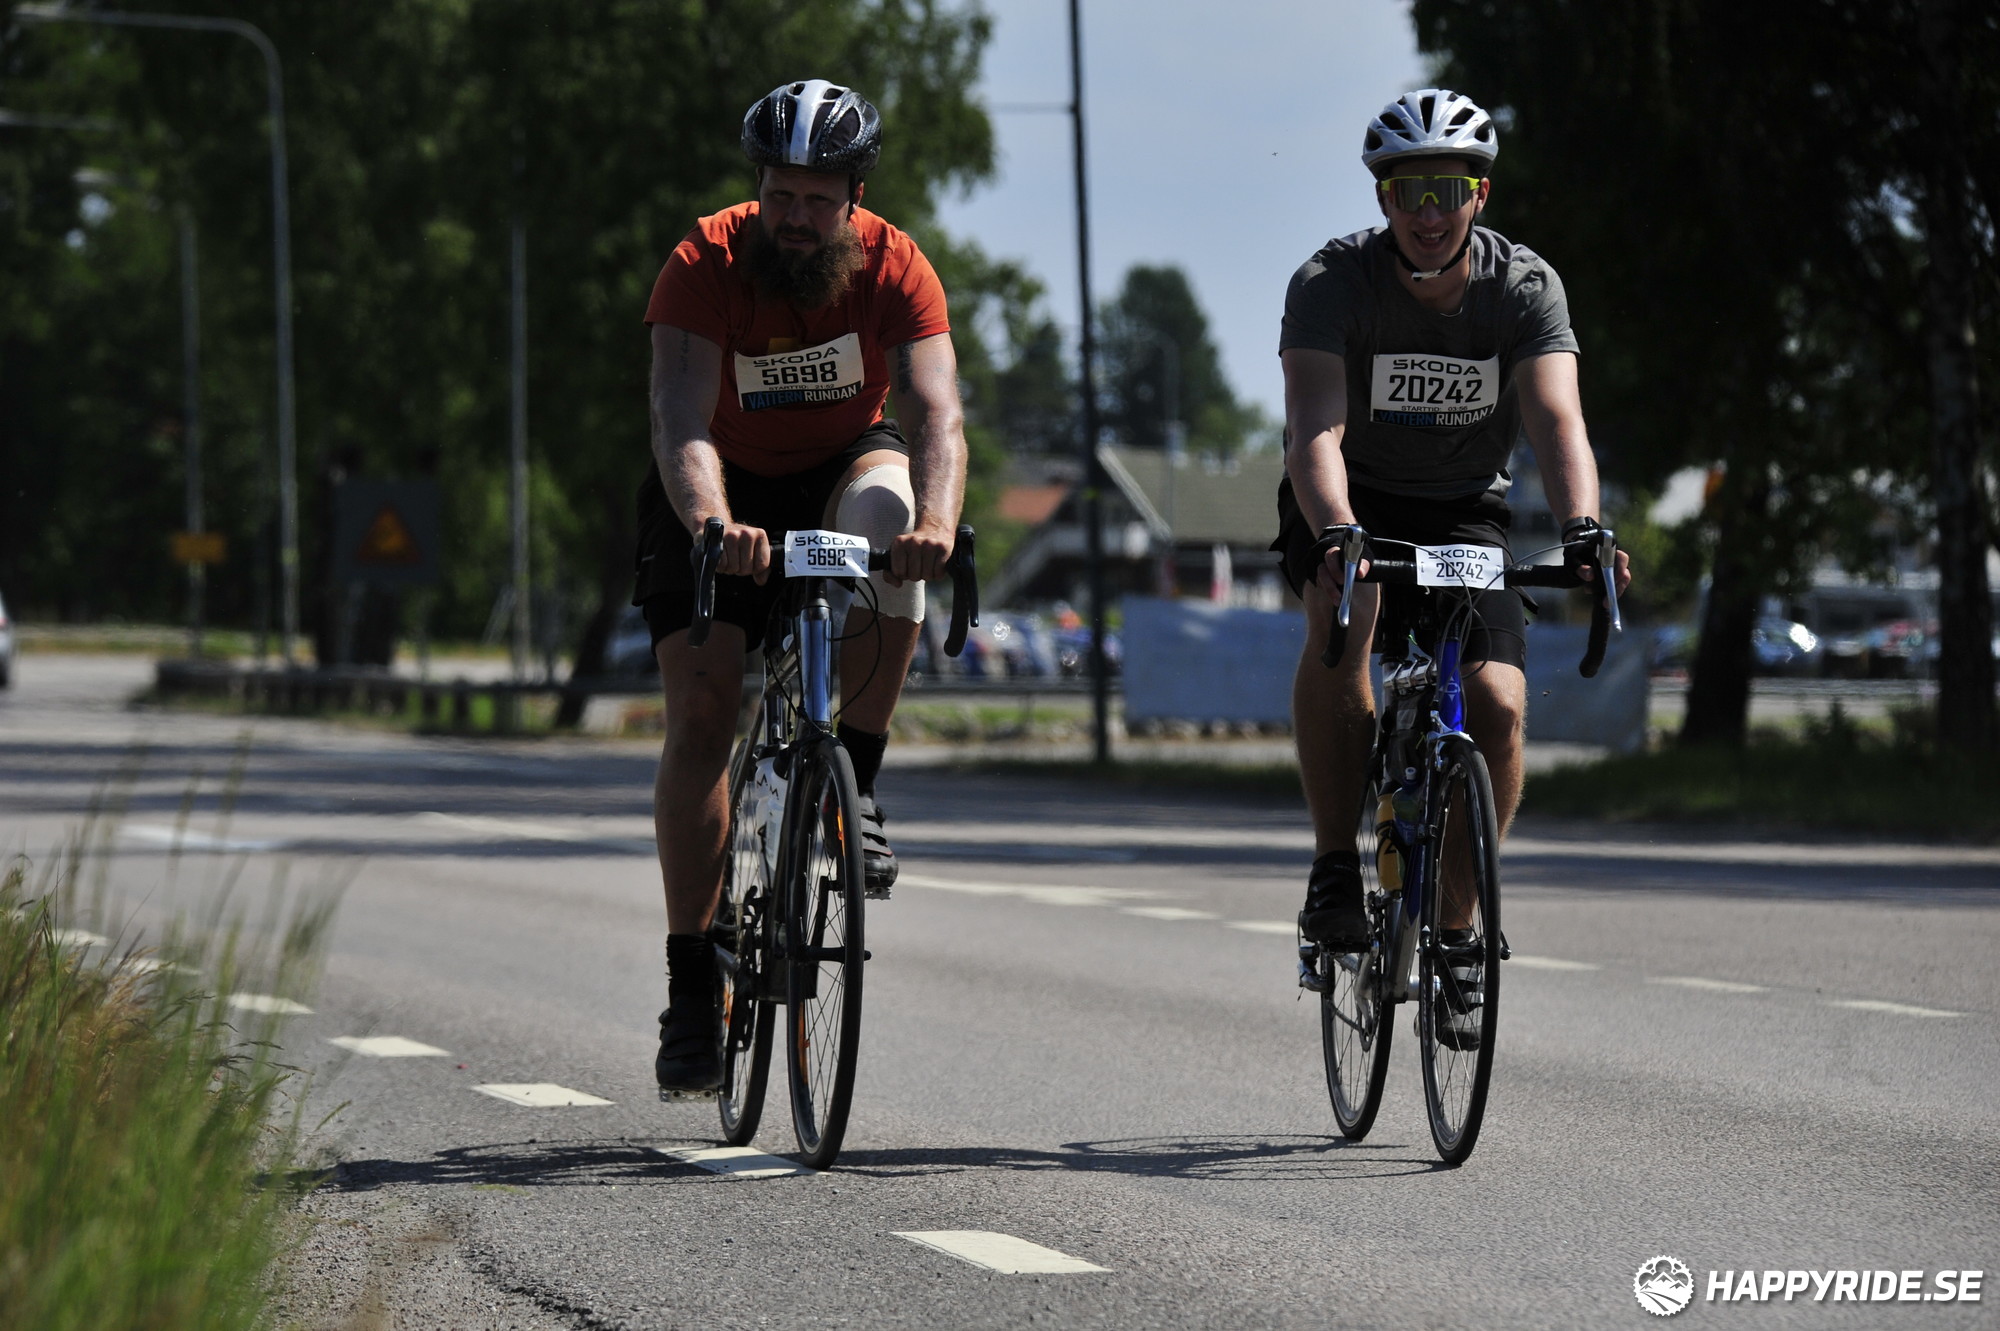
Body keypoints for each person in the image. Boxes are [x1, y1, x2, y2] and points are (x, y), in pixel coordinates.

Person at [636, 79, 967, 1095]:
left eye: (817, 200)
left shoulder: (896, 264)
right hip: (716, 484)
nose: (793, 216)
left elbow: (936, 413)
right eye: (779, 194)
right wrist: (712, 523)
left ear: (854, 198)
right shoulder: (704, 261)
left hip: (839, 465)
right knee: (702, 716)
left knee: (891, 523)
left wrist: (935, 525)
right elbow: (679, 414)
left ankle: (853, 781)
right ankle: (691, 985)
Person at [1273, 89, 1631, 1023]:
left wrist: (1583, 527)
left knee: (1500, 705)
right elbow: (1314, 429)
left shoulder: (1524, 288)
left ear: (1479, 193)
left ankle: (1458, 927)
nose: (1427, 212)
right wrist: (1338, 531)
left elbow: (1558, 420)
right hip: (1347, 495)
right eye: (1408, 192)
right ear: (1382, 199)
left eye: (1446, 189)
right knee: (1348, 617)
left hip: (1467, 511)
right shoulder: (1331, 283)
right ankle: (1334, 864)